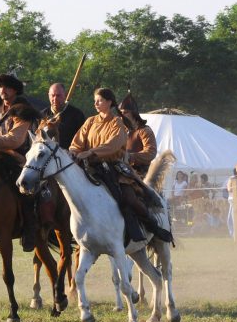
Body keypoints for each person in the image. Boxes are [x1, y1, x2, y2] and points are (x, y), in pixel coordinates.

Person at [69, 88, 173, 244]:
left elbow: (115, 144)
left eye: (100, 100)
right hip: (90, 167)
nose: (96, 103)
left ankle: (153, 226)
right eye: (95, 100)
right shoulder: (90, 121)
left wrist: (92, 152)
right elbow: (77, 143)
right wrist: (73, 152)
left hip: (115, 168)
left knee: (129, 198)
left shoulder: (121, 124)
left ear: (109, 102)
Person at [0, 73, 41, 252]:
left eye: (7, 87)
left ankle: (29, 229)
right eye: (0, 87)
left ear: (14, 90)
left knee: (23, 190)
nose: (2, 90)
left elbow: (15, 140)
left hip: (16, 158)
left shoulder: (23, 112)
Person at [118, 92, 156, 178]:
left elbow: (151, 152)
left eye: (125, 112)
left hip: (140, 174)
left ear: (133, 114)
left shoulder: (144, 131)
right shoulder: (120, 131)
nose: (122, 115)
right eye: (120, 113)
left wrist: (130, 156)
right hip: (121, 170)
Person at [40, 83, 86, 149]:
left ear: (65, 95)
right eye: (52, 95)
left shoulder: (77, 115)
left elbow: (82, 139)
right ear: (48, 96)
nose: (55, 99)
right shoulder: (41, 115)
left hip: (68, 155)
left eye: (58, 96)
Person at [225, 162, 237, 245]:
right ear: (236, 170)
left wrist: (236, 188)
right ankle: (236, 241)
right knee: (231, 222)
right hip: (233, 203)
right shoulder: (232, 178)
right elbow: (229, 189)